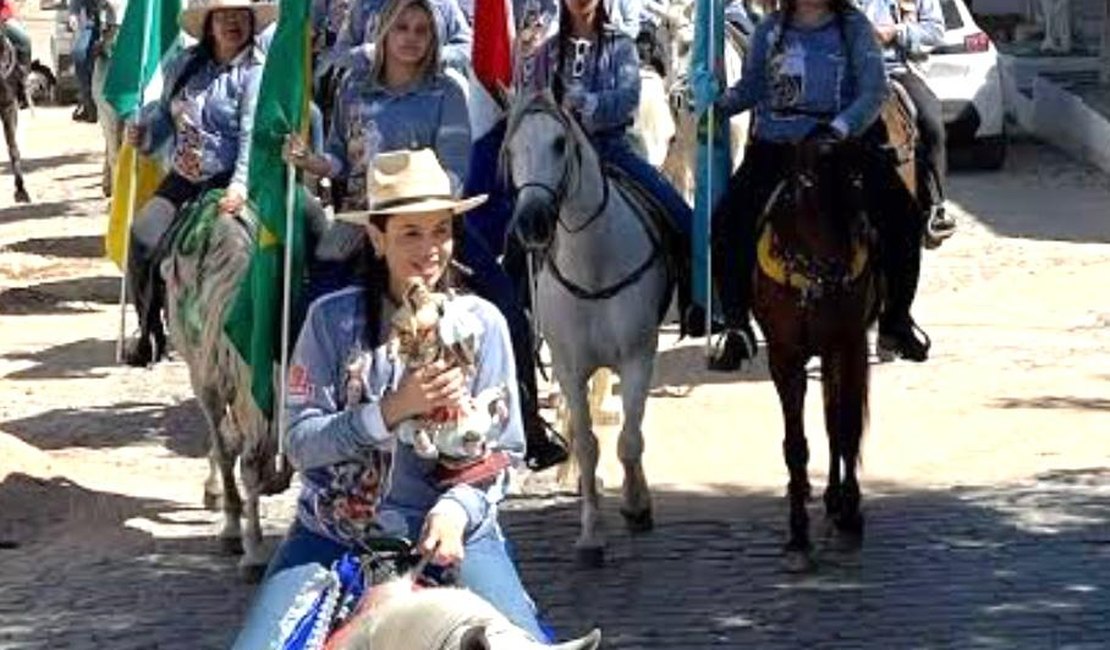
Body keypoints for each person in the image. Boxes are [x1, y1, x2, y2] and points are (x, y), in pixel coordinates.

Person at [230, 149, 551, 648]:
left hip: (458, 536)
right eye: (410, 233)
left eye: (441, 230)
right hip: (332, 536)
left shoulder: (484, 324)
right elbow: (298, 442)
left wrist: (456, 511)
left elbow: (505, 452)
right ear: (377, 237)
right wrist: (388, 411)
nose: (430, 250)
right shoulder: (329, 323)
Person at [698, 0, 894, 370]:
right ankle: (738, 325)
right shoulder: (768, 29)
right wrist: (714, 104)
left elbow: (874, 91)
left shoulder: (854, 28)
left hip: (834, 146)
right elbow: (753, 87)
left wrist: (839, 128)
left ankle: (895, 318)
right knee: (726, 224)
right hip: (774, 147)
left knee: (898, 214)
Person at [523, 0, 701, 329]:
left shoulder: (620, 47)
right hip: (556, 159)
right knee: (519, 227)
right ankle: (521, 317)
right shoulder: (546, 53)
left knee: (682, 217)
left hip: (610, 149)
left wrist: (590, 103)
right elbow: (529, 107)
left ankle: (695, 303)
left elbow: (628, 100)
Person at [122, 0, 275, 367]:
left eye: (241, 16)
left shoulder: (257, 72)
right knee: (142, 236)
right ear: (208, 24)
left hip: (233, 179)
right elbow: (163, 120)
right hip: (185, 177)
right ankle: (149, 329)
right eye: (223, 16)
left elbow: (251, 136)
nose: (232, 23)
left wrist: (239, 186)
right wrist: (143, 135)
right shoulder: (184, 66)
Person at [856, 0, 955, 246]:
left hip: (899, 69)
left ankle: (935, 206)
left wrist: (896, 32)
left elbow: (935, 31)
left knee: (932, 123)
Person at [320, 0, 472, 76]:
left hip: (433, 101)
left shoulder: (444, 3)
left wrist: (432, 57)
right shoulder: (365, 4)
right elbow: (340, 54)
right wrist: (369, 54)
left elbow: (467, 47)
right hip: (372, 101)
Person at [0, 0, 32, 107]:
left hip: (1, 21)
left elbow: (6, 6)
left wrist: (2, 17)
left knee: (24, 40)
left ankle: (22, 79)